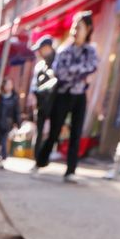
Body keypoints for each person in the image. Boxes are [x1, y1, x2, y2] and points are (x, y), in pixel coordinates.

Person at [35, 11, 99, 183]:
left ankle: (70, 170)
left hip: (79, 96)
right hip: (63, 95)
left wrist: (73, 71)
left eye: (79, 27)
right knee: (55, 129)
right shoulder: (64, 49)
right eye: (74, 26)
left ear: (88, 29)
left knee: (76, 133)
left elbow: (92, 67)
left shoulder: (90, 50)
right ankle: (41, 161)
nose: (75, 30)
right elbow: (59, 72)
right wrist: (78, 71)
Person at [30, 35, 57, 159]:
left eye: (41, 48)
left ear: (48, 48)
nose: (39, 52)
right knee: (39, 131)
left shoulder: (58, 62)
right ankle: (37, 158)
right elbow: (35, 85)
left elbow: (56, 82)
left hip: (54, 103)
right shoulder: (40, 65)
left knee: (53, 131)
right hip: (41, 104)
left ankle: (46, 156)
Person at [0, 78, 21, 169]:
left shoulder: (14, 97)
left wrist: (17, 122)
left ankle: (3, 157)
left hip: (8, 122)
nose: (8, 86)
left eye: (10, 84)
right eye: (7, 84)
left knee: (4, 141)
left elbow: (17, 111)